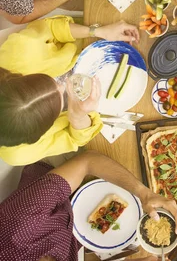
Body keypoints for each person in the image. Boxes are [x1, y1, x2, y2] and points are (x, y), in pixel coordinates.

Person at [0, 150, 177, 261]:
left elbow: (88, 161)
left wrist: (145, 194)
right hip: (77, 224)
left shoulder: (19, 225)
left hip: (52, 169)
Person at [0, 14, 140, 166]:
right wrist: (78, 115)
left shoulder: (18, 51)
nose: (62, 86)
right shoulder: (19, 154)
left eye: (50, 82)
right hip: (96, 110)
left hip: (87, 43)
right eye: (59, 94)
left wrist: (97, 31)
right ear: (39, 133)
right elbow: (76, 138)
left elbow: (54, 28)